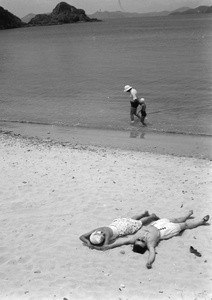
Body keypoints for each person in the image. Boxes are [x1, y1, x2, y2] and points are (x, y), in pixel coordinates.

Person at [90, 210, 210, 269]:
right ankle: (201, 222)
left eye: (139, 240)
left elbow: (120, 242)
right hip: (164, 231)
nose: (141, 238)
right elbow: (152, 253)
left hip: (157, 224)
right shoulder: (150, 244)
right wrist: (149, 262)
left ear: (134, 242)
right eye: (142, 241)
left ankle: (187, 215)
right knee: (185, 225)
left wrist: (108, 247)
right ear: (145, 244)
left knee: (177, 219)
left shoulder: (133, 239)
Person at [79, 210, 159, 248]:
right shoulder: (97, 229)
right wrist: (87, 241)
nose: (102, 234)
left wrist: (90, 245)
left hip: (122, 229)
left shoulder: (106, 235)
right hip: (117, 223)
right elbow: (81, 236)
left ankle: (152, 217)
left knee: (138, 223)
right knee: (131, 220)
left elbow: (105, 246)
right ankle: (142, 214)